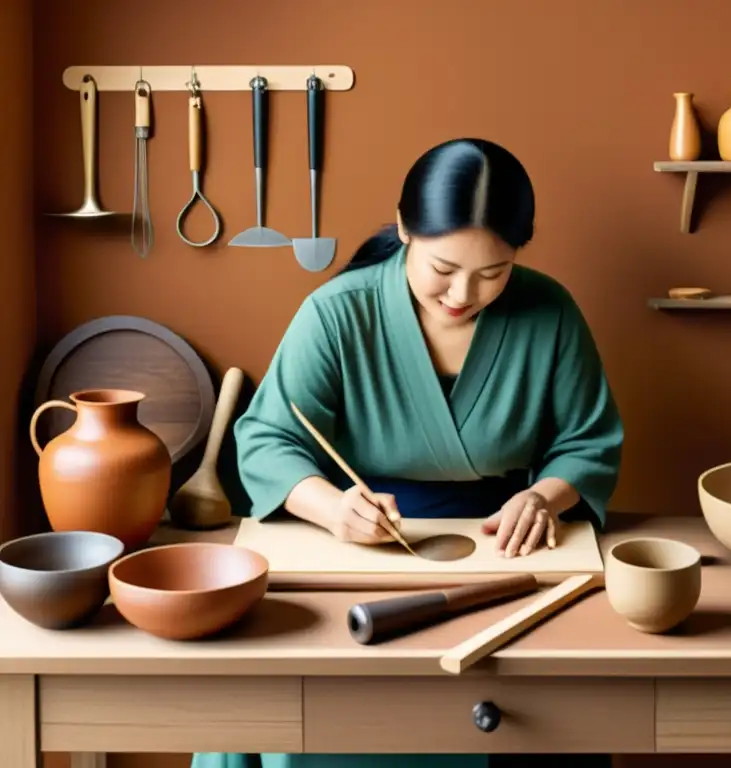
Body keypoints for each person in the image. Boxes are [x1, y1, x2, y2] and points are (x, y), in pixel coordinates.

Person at [191, 137, 623, 768]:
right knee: (303, 702)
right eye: (443, 270)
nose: (463, 293)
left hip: (502, 551)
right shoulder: (337, 313)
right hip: (355, 539)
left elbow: (587, 440)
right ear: (403, 228)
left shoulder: (549, 311)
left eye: (493, 273)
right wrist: (335, 508)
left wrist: (542, 496)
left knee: (548, 706)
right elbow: (266, 438)